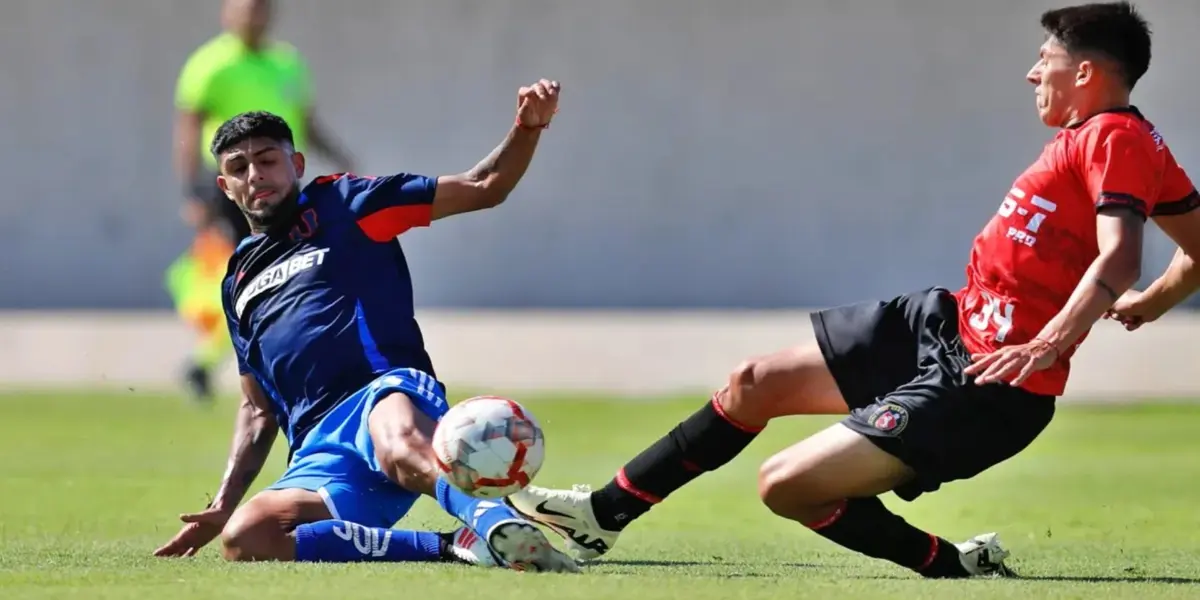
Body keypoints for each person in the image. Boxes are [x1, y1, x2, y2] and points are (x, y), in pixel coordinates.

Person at [509, 2, 1195, 578]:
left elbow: (1119, 258)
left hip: (991, 386)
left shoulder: (1114, 138)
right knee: (754, 383)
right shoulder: (1110, 140)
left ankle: (949, 565)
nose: (1030, 71)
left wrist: (1054, 340)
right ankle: (603, 516)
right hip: (949, 322)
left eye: (1042, 58)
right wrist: (1164, 299)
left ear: (1083, 71)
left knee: (787, 487)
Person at [154, 79, 579, 573]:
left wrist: (528, 127)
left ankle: (488, 517)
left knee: (396, 444)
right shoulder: (237, 279)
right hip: (319, 444)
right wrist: (225, 502)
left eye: (268, 160)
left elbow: (486, 186)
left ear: (296, 165)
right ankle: (456, 544)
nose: (255, 175)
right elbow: (256, 407)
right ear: (225, 187)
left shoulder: (346, 204)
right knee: (248, 536)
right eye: (238, 168)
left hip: (384, 390)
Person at [167, 0, 355, 401]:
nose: (253, 16)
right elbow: (188, 128)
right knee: (249, 278)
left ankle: (215, 364)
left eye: (260, 8)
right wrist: (192, 191)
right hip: (237, 195)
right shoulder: (210, 64)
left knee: (294, 274)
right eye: (245, 8)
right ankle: (238, 367)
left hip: (288, 190)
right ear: (227, 13)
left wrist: (341, 158)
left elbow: (305, 123)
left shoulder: (287, 63)